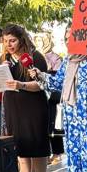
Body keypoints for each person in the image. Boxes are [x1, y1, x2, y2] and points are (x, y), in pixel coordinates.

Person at [0, 24, 51, 172]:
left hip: (34, 107)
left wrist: (21, 85)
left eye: (12, 40)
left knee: (37, 145)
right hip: (13, 107)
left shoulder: (35, 57)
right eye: (6, 41)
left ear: (21, 39)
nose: (9, 44)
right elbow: (0, 85)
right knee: (20, 146)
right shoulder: (5, 59)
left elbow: (41, 84)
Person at [34, 32, 65, 165]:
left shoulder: (55, 57)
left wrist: (46, 71)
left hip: (52, 96)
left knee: (53, 124)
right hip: (39, 94)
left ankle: (57, 152)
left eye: (41, 40)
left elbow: (57, 78)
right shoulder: (34, 56)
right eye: (37, 41)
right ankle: (45, 153)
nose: (39, 43)